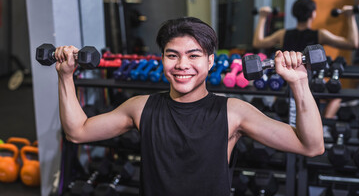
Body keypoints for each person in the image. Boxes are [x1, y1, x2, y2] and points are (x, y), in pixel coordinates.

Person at [55, 17, 324, 196]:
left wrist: (299, 82)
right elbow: (78, 132)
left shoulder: (233, 112)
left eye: (193, 55)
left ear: (210, 62)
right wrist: (66, 76)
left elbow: (311, 146)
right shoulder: (140, 107)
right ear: (162, 60)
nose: (182, 65)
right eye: (173, 55)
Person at [252, 0, 359, 119]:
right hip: (311, 85)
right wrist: (350, 17)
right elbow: (352, 43)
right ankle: (324, 126)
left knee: (285, 92)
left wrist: (262, 17)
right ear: (313, 14)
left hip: (286, 84)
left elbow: (258, 43)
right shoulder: (319, 34)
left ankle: (283, 116)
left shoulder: (283, 34)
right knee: (336, 98)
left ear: (294, 14)